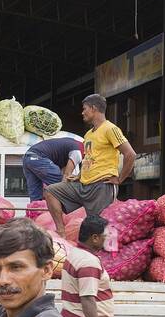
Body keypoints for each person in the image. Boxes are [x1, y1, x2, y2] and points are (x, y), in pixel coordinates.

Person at [45, 94, 134, 230]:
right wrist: (79, 175)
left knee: (100, 229)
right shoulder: (88, 135)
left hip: (101, 186)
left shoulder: (111, 129)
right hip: (83, 185)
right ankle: (61, 231)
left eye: (84, 109)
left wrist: (120, 179)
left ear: (93, 109)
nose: (82, 112)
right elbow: (89, 159)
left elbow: (130, 154)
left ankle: (106, 250)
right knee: (51, 191)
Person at [22, 133, 84, 202]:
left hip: (27, 158)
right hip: (38, 157)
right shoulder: (77, 152)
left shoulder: (67, 149)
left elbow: (64, 172)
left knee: (36, 196)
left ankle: (36, 210)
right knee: (61, 184)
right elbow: (66, 175)